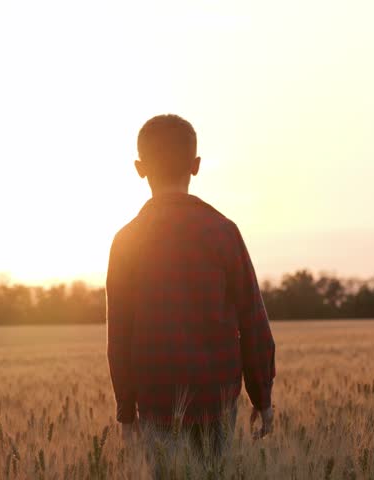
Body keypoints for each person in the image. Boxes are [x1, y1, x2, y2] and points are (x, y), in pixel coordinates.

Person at [106, 114, 276, 456]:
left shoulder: (126, 240)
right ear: (196, 165)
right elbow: (253, 320)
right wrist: (262, 397)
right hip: (217, 399)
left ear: (140, 168)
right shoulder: (223, 232)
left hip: (155, 399)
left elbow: (119, 335)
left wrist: (126, 413)